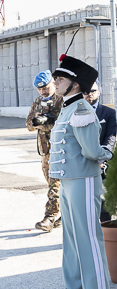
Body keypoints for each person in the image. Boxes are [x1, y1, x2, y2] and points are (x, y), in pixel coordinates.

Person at [46, 55, 114, 289]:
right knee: (71, 237)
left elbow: (92, 151)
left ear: (75, 84)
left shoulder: (82, 110)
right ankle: (74, 288)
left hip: (84, 180)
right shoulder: (68, 108)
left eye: (60, 79)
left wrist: (106, 156)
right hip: (69, 180)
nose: (56, 82)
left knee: (88, 237)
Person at [26, 70, 64, 232]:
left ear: (52, 84)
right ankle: (66, 213)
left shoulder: (61, 100)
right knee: (52, 183)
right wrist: (38, 121)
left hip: (61, 149)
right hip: (45, 151)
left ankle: (49, 217)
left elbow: (63, 123)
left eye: (46, 87)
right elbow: (28, 124)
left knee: (54, 185)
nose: (43, 91)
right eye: (40, 89)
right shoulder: (37, 102)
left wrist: (47, 122)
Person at [82, 81, 117, 222]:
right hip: (83, 163)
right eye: (85, 92)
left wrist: (101, 158)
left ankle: (105, 229)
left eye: (92, 90)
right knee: (85, 201)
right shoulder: (77, 113)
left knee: (104, 200)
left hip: (102, 164)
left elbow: (111, 137)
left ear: (99, 92)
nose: (89, 94)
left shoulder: (109, 113)